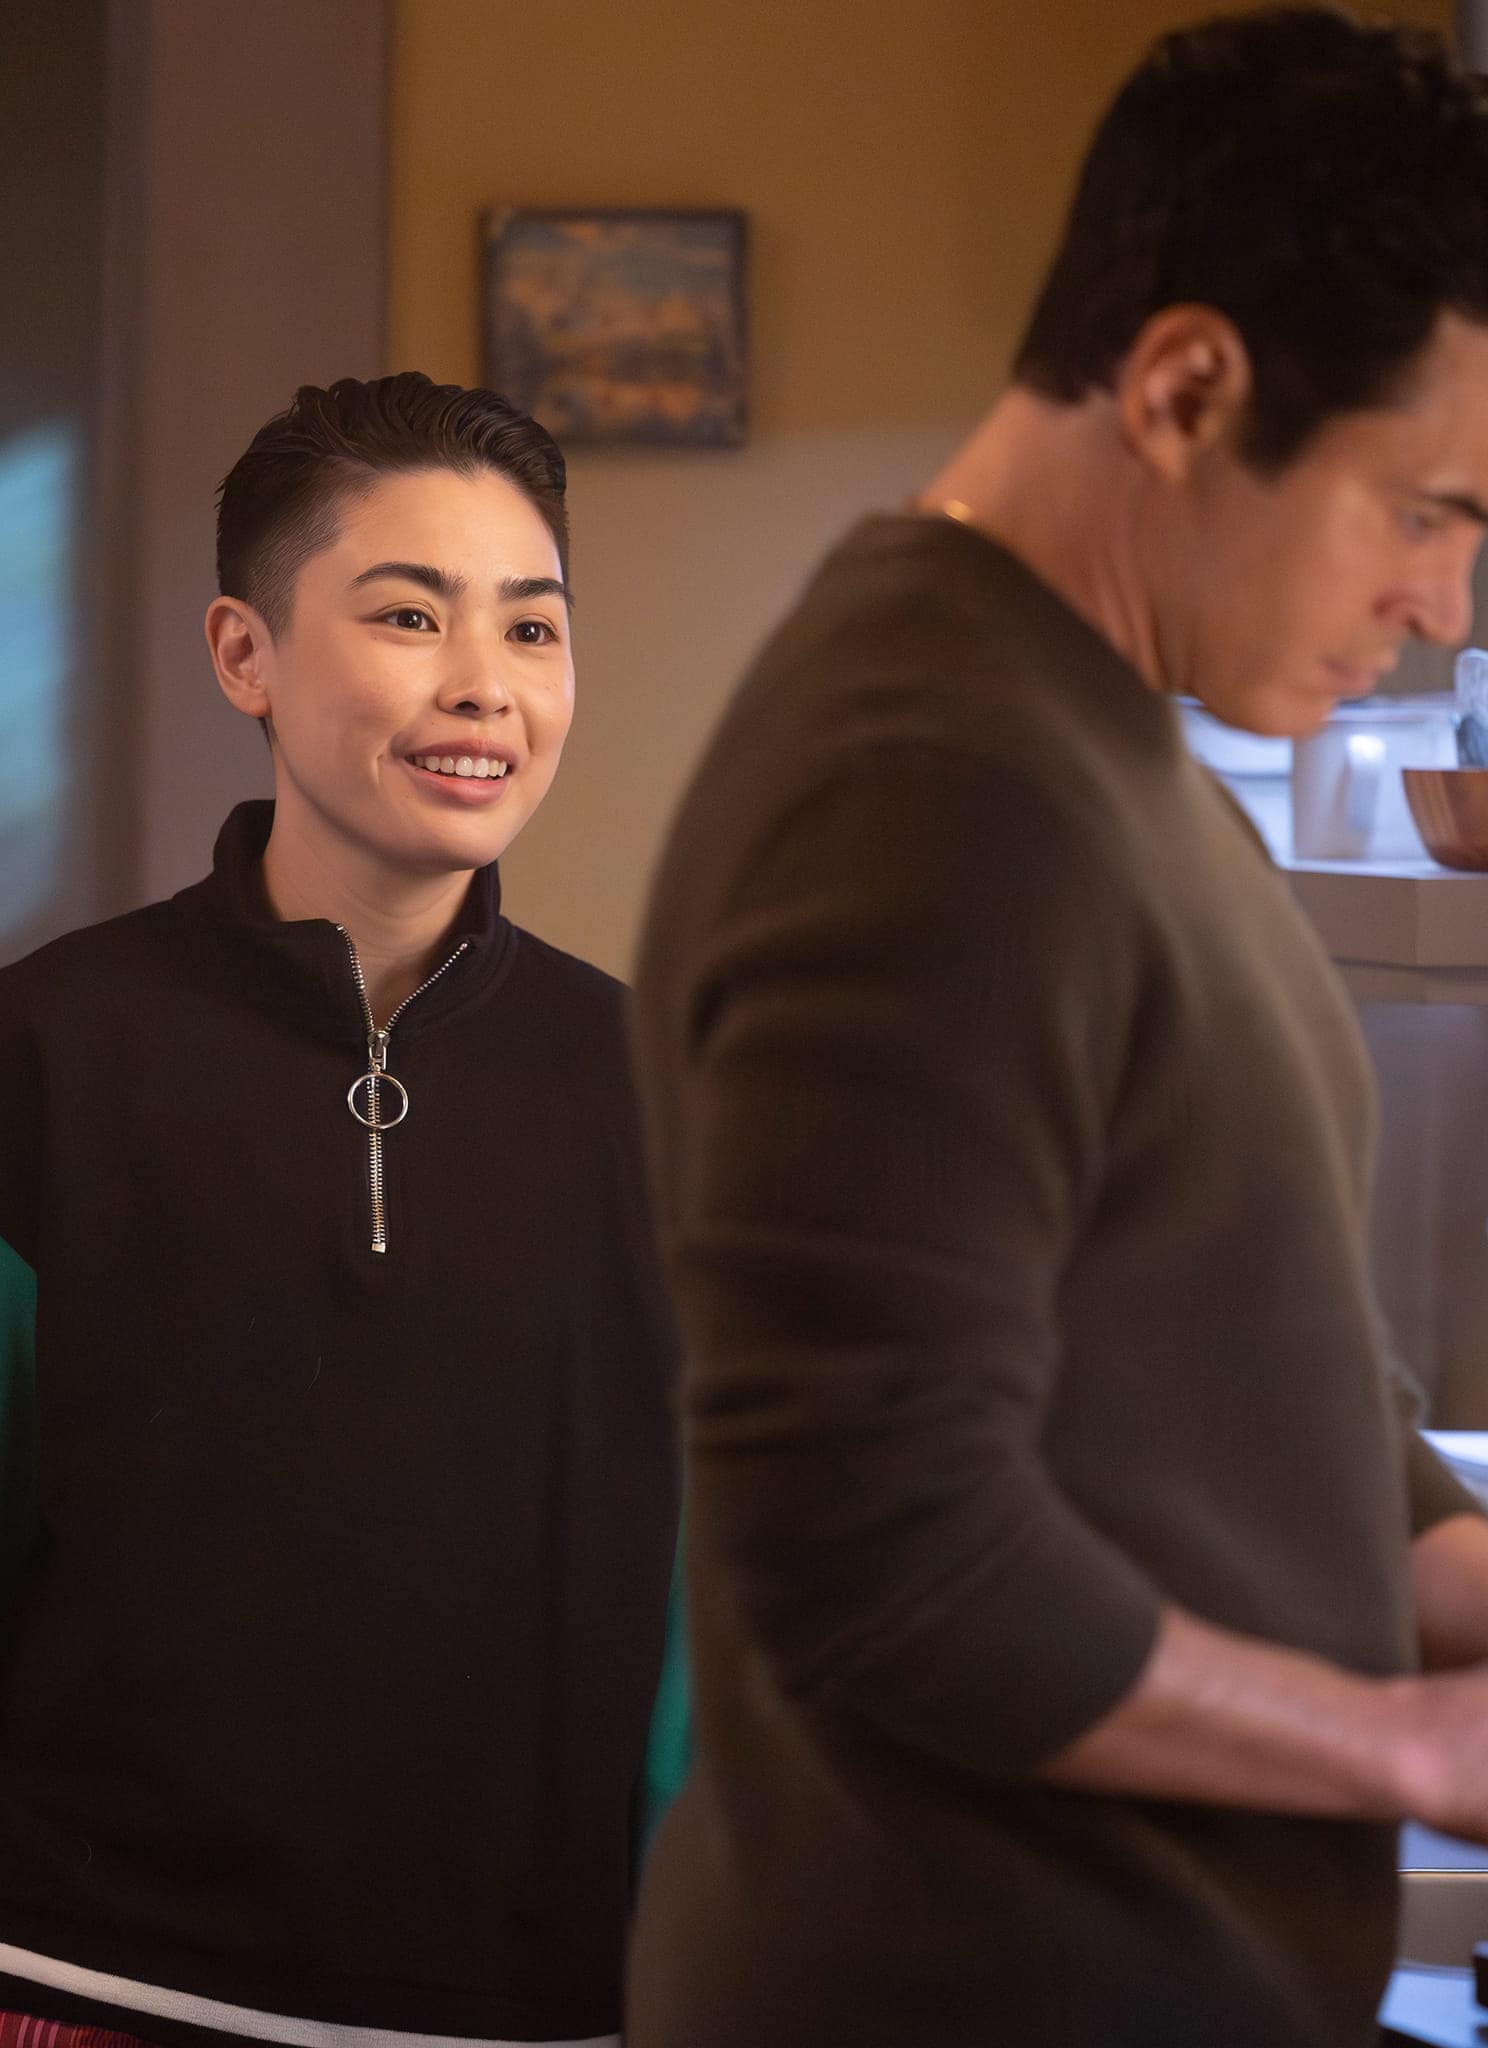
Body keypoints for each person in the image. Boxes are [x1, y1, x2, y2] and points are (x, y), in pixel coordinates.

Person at [624, 13, 1488, 2047]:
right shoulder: (940, 786)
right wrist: (1416, 1750)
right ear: (1187, 386)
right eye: (1425, 509)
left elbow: (1257, 1373)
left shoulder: (1094, 729)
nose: (1446, 606)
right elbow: (885, 1559)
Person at [0, 373, 679, 2048]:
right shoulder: (46, 1052)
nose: (484, 690)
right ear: (246, 655)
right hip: (93, 1982)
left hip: (544, 2007)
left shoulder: (672, 1089)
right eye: (406, 614)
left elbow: (716, 1600)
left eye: (533, 631)